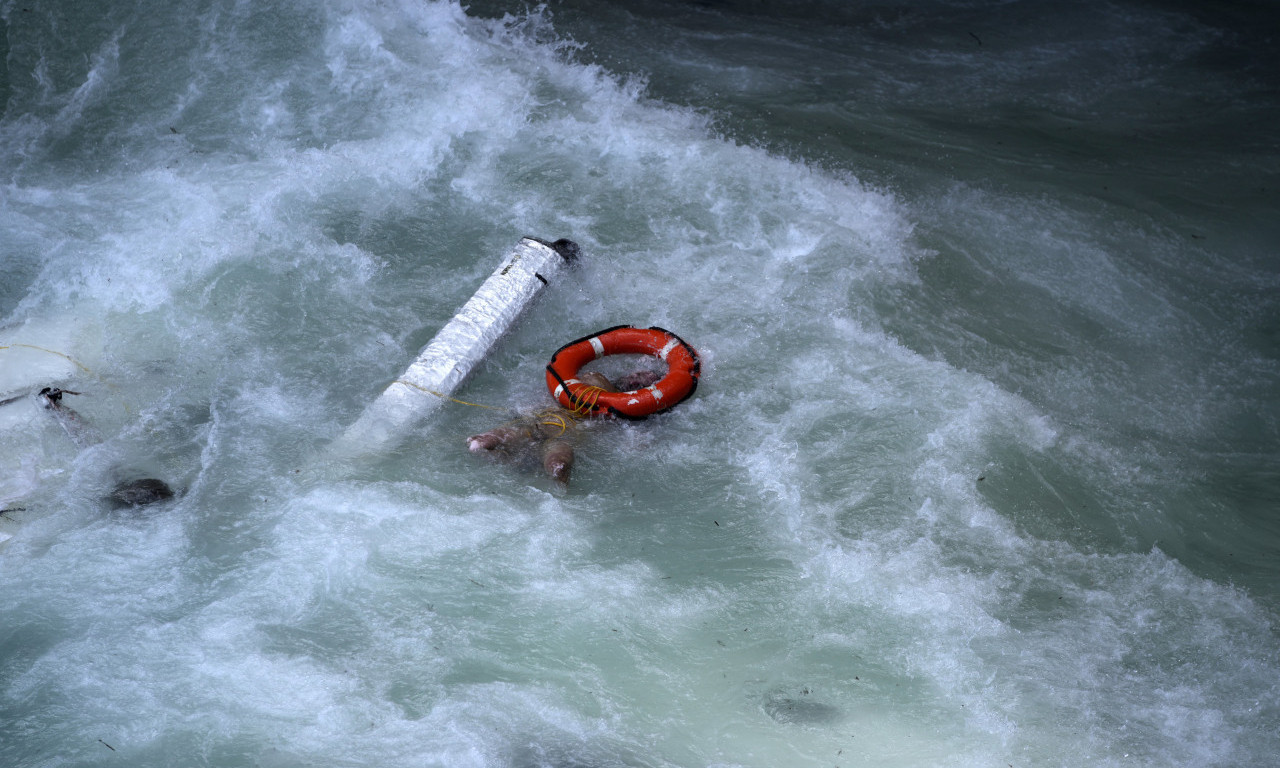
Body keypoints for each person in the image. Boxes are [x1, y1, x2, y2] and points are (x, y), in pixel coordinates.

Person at [466, 368, 662, 485]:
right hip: (561, 429)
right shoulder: (620, 409)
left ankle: (484, 444)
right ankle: (555, 472)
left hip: (546, 423)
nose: (638, 374)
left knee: (531, 437)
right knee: (556, 452)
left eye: (642, 377)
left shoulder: (602, 389)